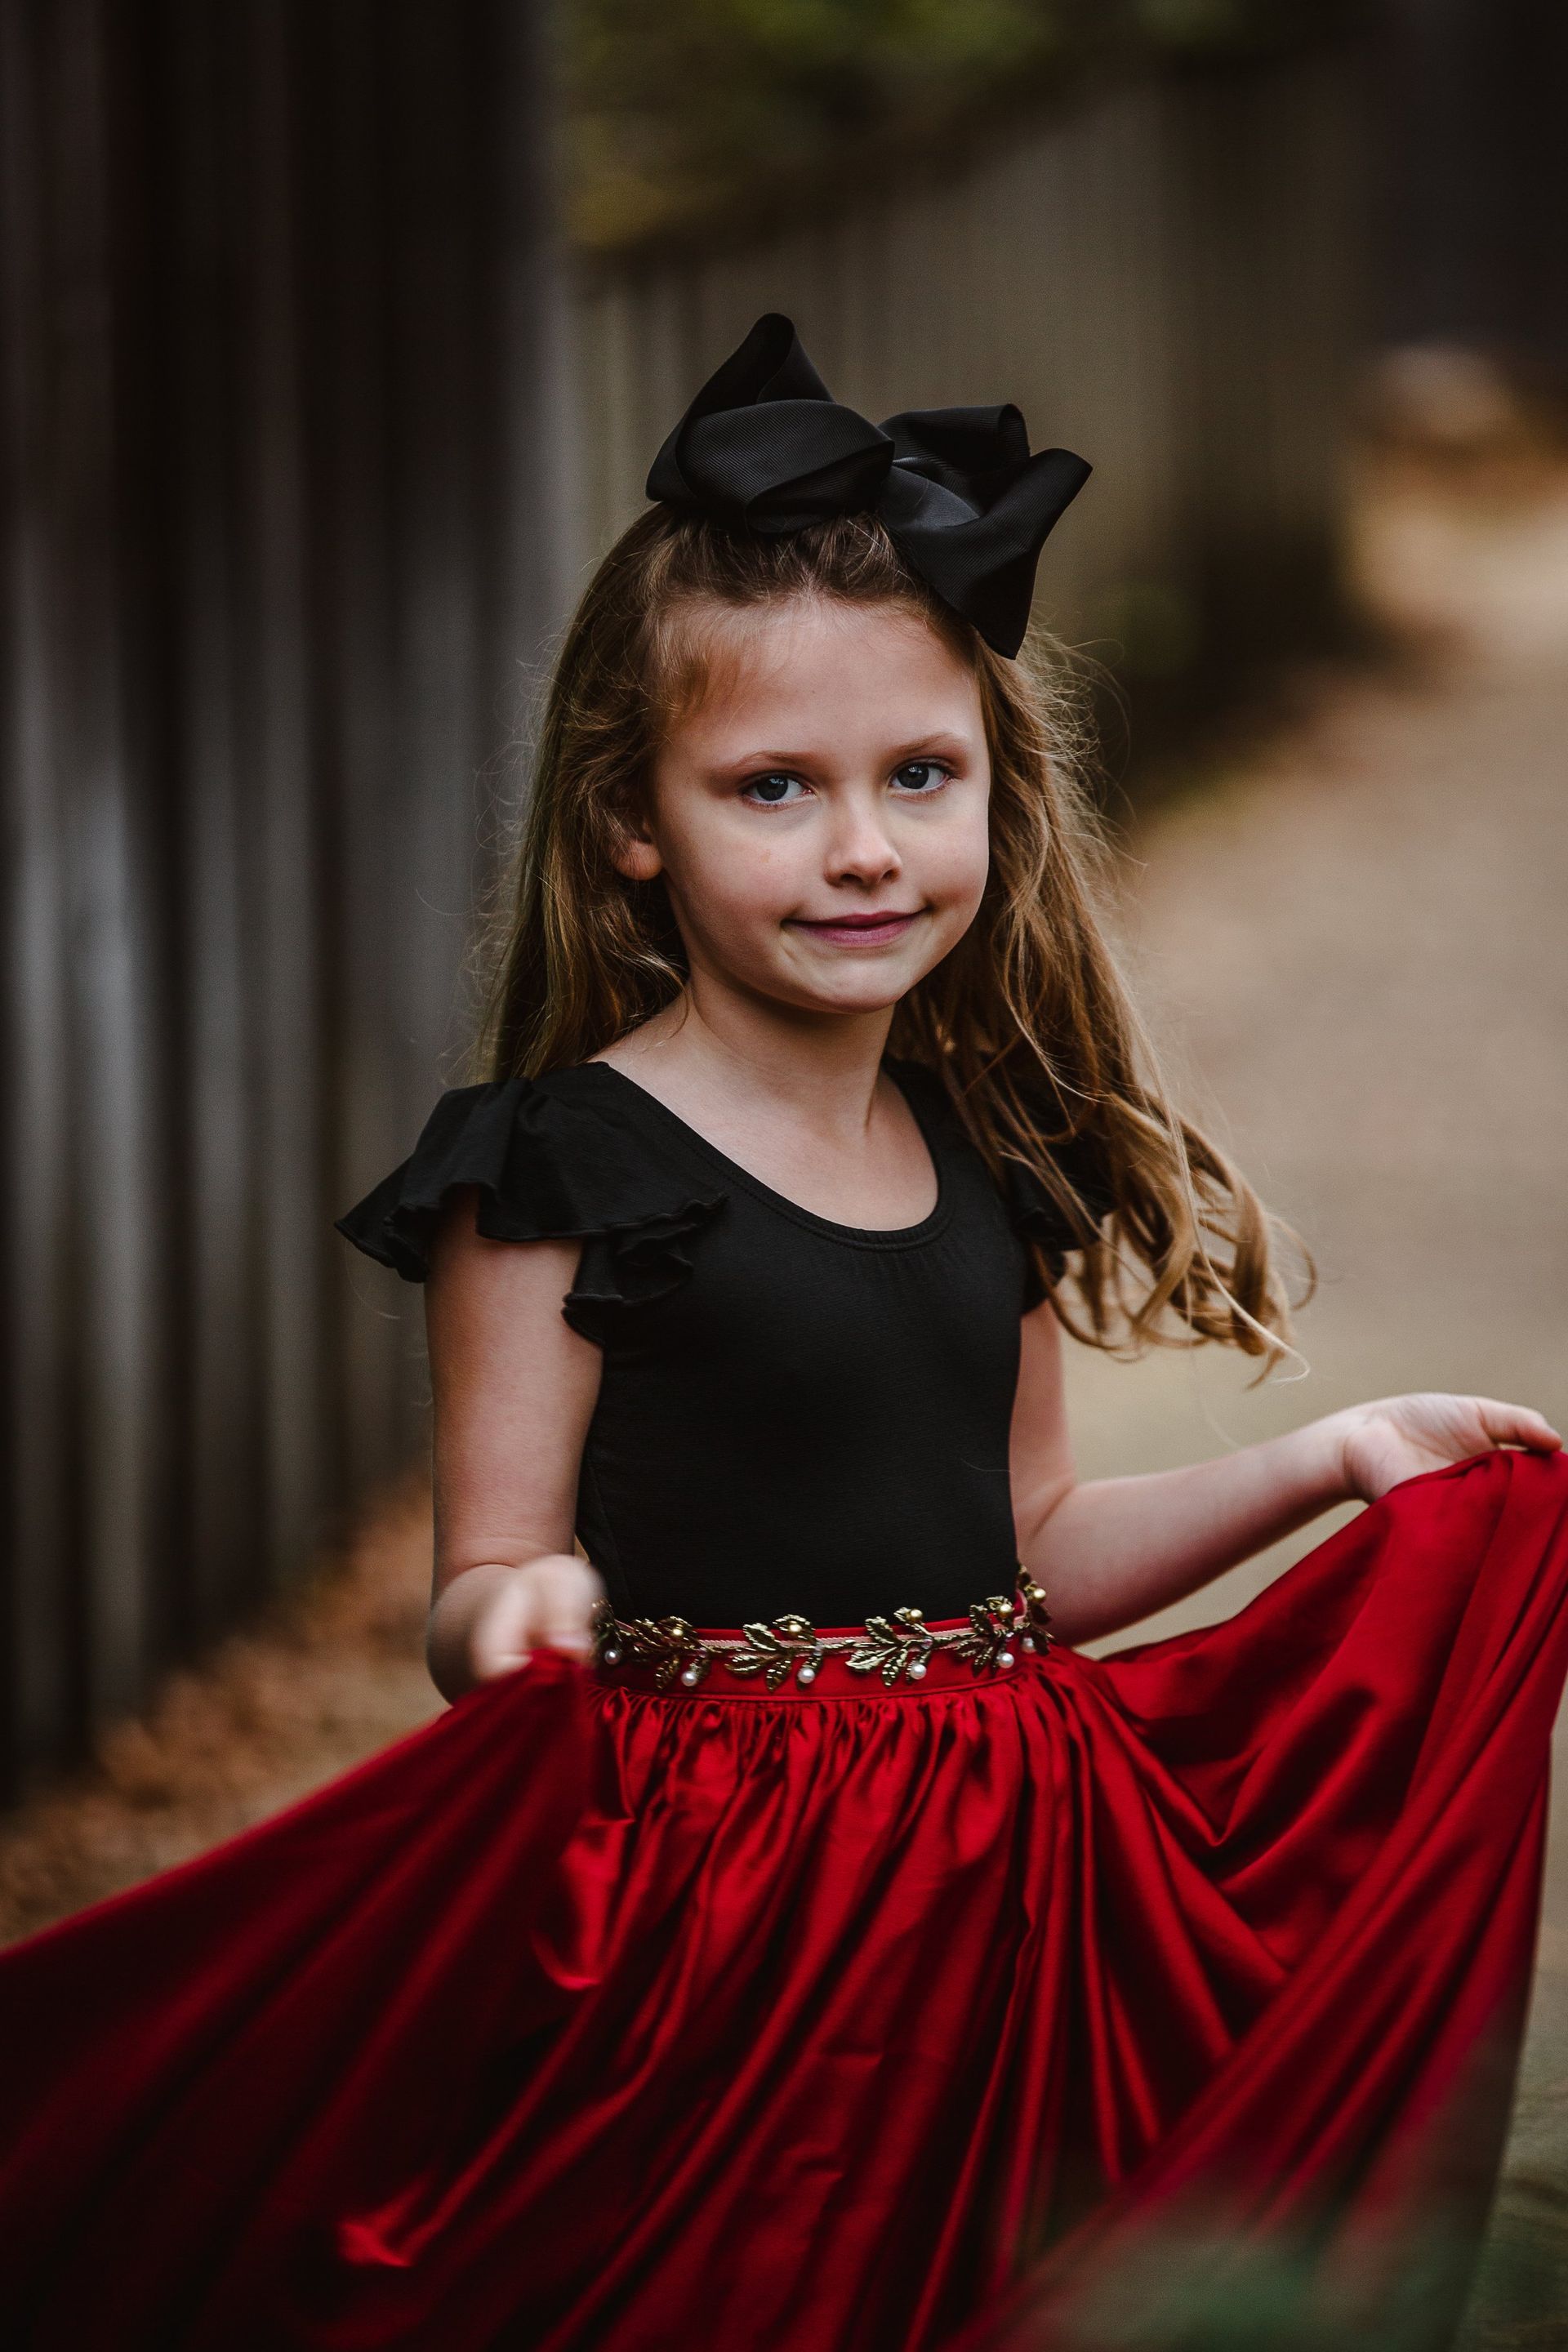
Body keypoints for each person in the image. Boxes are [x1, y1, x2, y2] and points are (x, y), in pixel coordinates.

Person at [1, 314, 1565, 2352]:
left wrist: (1337, 1465)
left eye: (922, 776)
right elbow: (484, 1572)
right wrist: (520, 1620)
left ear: (999, 789)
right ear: (631, 822)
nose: (861, 847)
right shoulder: (559, 1164)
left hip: (1022, 1877)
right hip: (731, 1900)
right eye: (772, 787)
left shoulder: (987, 1146)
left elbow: (1034, 1555)